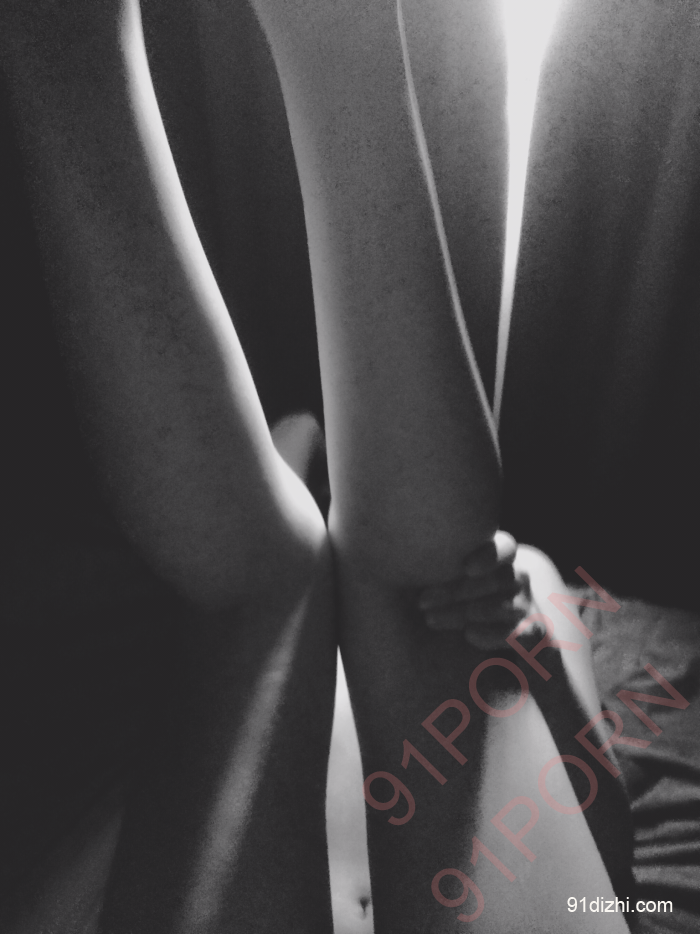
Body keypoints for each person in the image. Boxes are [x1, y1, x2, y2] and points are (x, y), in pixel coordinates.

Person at [0, 0, 632, 930]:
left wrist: (530, 647)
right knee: (383, 587)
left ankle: (63, 45)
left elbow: (617, 853)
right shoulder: (247, 595)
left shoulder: (512, 579)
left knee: (328, 591)